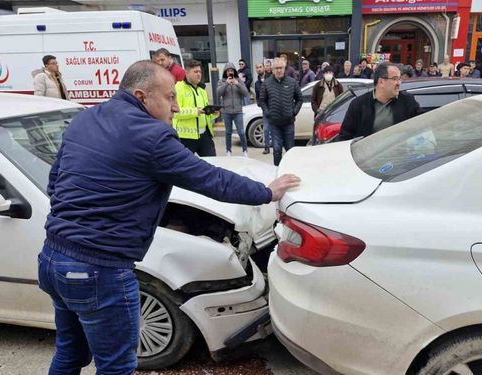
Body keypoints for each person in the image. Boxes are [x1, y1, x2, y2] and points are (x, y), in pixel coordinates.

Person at [37, 60, 301, 375]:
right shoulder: (151, 135)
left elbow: (55, 183)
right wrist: (266, 192)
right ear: (141, 95)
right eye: (169, 97)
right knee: (117, 366)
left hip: (52, 259)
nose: (176, 106)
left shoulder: (86, 117)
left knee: (70, 353)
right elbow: (210, 179)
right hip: (99, 268)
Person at [337, 62, 421, 141]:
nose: (399, 83)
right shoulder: (359, 104)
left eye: (399, 79)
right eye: (395, 79)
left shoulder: (407, 101)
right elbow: (345, 136)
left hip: (398, 155)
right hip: (367, 155)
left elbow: (423, 124)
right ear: (381, 82)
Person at [259, 57, 302, 166]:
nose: (279, 70)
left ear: (284, 69)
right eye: (276, 68)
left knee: (290, 150)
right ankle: (277, 170)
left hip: (289, 122)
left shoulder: (292, 82)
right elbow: (262, 100)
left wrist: (294, 112)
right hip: (275, 123)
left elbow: (300, 99)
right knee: (277, 149)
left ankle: (290, 170)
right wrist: (267, 112)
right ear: (272, 69)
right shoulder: (267, 83)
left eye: (281, 68)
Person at [173, 59, 218, 156]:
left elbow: (204, 114)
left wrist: (213, 114)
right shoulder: (178, 88)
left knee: (212, 164)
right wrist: (194, 112)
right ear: (187, 73)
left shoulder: (202, 91)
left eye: (200, 72)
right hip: (185, 137)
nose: (199, 74)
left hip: (204, 135)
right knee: (184, 168)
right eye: (195, 72)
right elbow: (175, 112)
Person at [217, 62, 249, 156]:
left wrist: (237, 84)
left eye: (231, 70)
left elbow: (246, 93)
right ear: (225, 72)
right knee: (228, 132)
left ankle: (245, 150)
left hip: (238, 111)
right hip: (226, 111)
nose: (230, 72)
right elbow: (218, 93)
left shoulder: (239, 80)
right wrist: (226, 84)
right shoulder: (221, 81)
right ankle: (228, 150)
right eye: (228, 71)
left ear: (234, 71)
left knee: (241, 132)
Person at [254, 63, 272, 154]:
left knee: (276, 128)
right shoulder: (257, 83)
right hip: (265, 109)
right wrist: (259, 104)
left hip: (274, 107)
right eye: (257, 68)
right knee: (266, 129)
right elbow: (257, 96)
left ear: (264, 68)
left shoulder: (271, 79)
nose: (259, 69)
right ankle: (267, 147)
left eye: (260, 67)